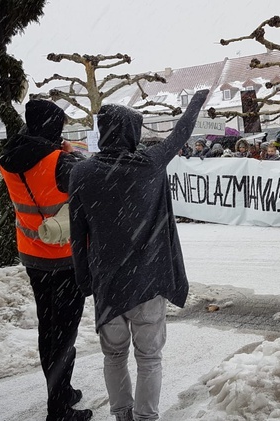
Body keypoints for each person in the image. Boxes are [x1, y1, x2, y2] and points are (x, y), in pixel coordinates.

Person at [68, 89, 209, 421]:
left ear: (103, 132)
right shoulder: (149, 163)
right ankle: (146, 417)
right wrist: (196, 102)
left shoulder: (81, 173)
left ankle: (122, 415)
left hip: (107, 283)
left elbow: (78, 235)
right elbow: (180, 134)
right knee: (149, 358)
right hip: (147, 280)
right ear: (132, 133)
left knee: (114, 357)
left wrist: (83, 279)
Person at [0, 100, 90, 421]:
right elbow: (90, 177)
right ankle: (59, 409)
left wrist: (56, 149)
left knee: (47, 327)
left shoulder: (8, 160)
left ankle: (60, 390)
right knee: (64, 334)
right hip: (65, 259)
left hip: (33, 256)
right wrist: (66, 152)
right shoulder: (60, 162)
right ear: (54, 125)